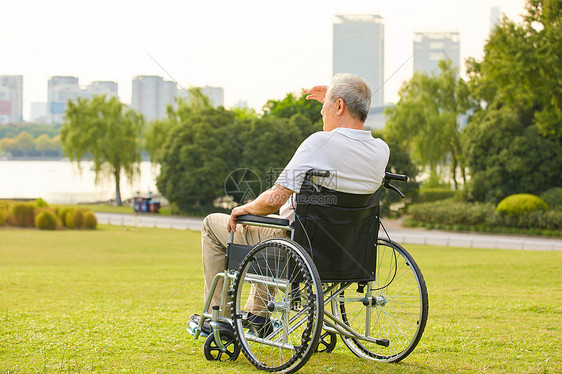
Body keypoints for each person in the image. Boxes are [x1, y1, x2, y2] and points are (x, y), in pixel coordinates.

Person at [199, 73, 389, 333]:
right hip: (346, 253)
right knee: (275, 229)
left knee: (214, 224)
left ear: (340, 106)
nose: (322, 113)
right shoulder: (380, 151)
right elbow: (349, 139)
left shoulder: (318, 143)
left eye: (325, 108)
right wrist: (334, 97)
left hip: (296, 249)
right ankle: (258, 317)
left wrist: (245, 208)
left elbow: (275, 198)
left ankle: (220, 318)